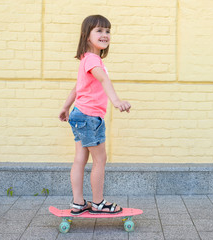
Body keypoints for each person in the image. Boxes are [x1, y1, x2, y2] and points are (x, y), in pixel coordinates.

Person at [59, 15, 131, 215]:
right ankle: (98, 203)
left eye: (108, 31)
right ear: (86, 35)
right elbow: (103, 79)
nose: (105, 35)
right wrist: (116, 101)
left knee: (80, 159)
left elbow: (77, 87)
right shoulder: (92, 60)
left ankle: (78, 202)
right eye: (99, 30)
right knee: (100, 160)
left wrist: (65, 107)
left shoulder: (86, 60)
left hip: (79, 114)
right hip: (89, 117)